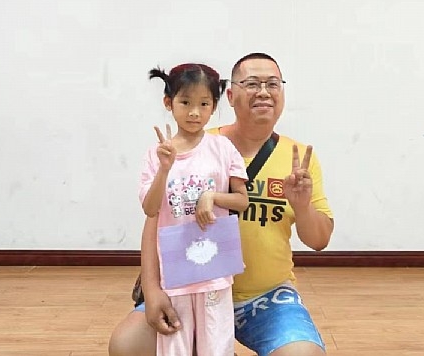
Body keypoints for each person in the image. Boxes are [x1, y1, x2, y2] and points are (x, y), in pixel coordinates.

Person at [109, 53, 334, 356]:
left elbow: (319, 240)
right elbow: (154, 220)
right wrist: (151, 289)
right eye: (252, 83)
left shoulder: (299, 158)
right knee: (128, 345)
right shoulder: (192, 143)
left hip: (263, 299)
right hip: (189, 287)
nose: (264, 92)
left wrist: (302, 205)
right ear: (228, 96)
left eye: (273, 84)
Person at [141, 63, 249, 356]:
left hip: (214, 269)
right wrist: (164, 169)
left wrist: (212, 197)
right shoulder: (157, 154)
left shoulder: (223, 148)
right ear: (168, 102)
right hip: (175, 270)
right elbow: (150, 209)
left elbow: (242, 201)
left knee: (216, 346)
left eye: (204, 104)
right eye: (185, 102)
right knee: (175, 345)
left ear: (214, 106)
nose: (194, 112)